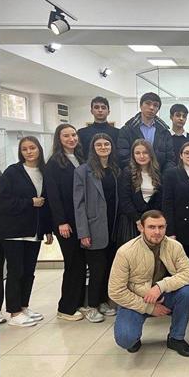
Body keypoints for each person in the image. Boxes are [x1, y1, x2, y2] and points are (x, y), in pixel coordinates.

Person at [109, 210, 189, 356]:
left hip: (163, 295)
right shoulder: (125, 252)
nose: (157, 232)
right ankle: (134, 337)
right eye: (151, 227)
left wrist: (160, 287)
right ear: (141, 227)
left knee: (187, 292)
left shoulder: (175, 246)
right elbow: (115, 291)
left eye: (161, 227)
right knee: (126, 339)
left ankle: (176, 338)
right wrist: (149, 308)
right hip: (136, 299)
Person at [1, 136, 53, 327]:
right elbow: (2, 201)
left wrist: (47, 229)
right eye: (25, 149)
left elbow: (46, 204)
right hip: (14, 231)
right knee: (16, 271)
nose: (29, 152)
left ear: (39, 149)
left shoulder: (44, 171)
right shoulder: (12, 172)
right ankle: (14, 312)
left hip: (34, 231)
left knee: (29, 272)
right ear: (20, 152)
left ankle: (23, 307)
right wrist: (29, 202)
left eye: (32, 148)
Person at [74, 133, 121, 322]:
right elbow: (78, 204)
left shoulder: (115, 169)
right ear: (93, 148)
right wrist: (83, 232)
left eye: (106, 144)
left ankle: (102, 301)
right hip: (94, 227)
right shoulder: (83, 171)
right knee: (96, 269)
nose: (103, 147)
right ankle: (92, 305)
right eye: (99, 144)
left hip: (113, 226)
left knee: (108, 268)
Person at [45, 124, 86, 322]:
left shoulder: (80, 158)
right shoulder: (54, 163)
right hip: (66, 222)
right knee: (73, 264)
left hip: (80, 220)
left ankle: (78, 302)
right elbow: (53, 195)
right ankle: (66, 308)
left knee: (81, 263)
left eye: (73, 135)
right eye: (66, 136)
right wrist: (61, 221)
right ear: (59, 139)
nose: (71, 139)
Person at [117, 139, 163, 247]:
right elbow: (125, 200)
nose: (141, 156)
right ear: (133, 155)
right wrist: (138, 221)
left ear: (151, 154)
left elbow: (159, 199)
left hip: (151, 222)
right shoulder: (127, 172)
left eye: (145, 152)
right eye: (137, 153)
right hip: (131, 222)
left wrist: (151, 220)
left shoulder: (157, 173)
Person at [117, 92, 175, 170]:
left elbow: (170, 159)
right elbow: (123, 156)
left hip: (159, 174)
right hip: (135, 174)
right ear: (141, 106)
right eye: (148, 103)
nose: (151, 108)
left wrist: (165, 174)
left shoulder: (164, 132)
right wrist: (137, 173)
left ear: (158, 109)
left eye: (155, 105)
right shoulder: (127, 130)